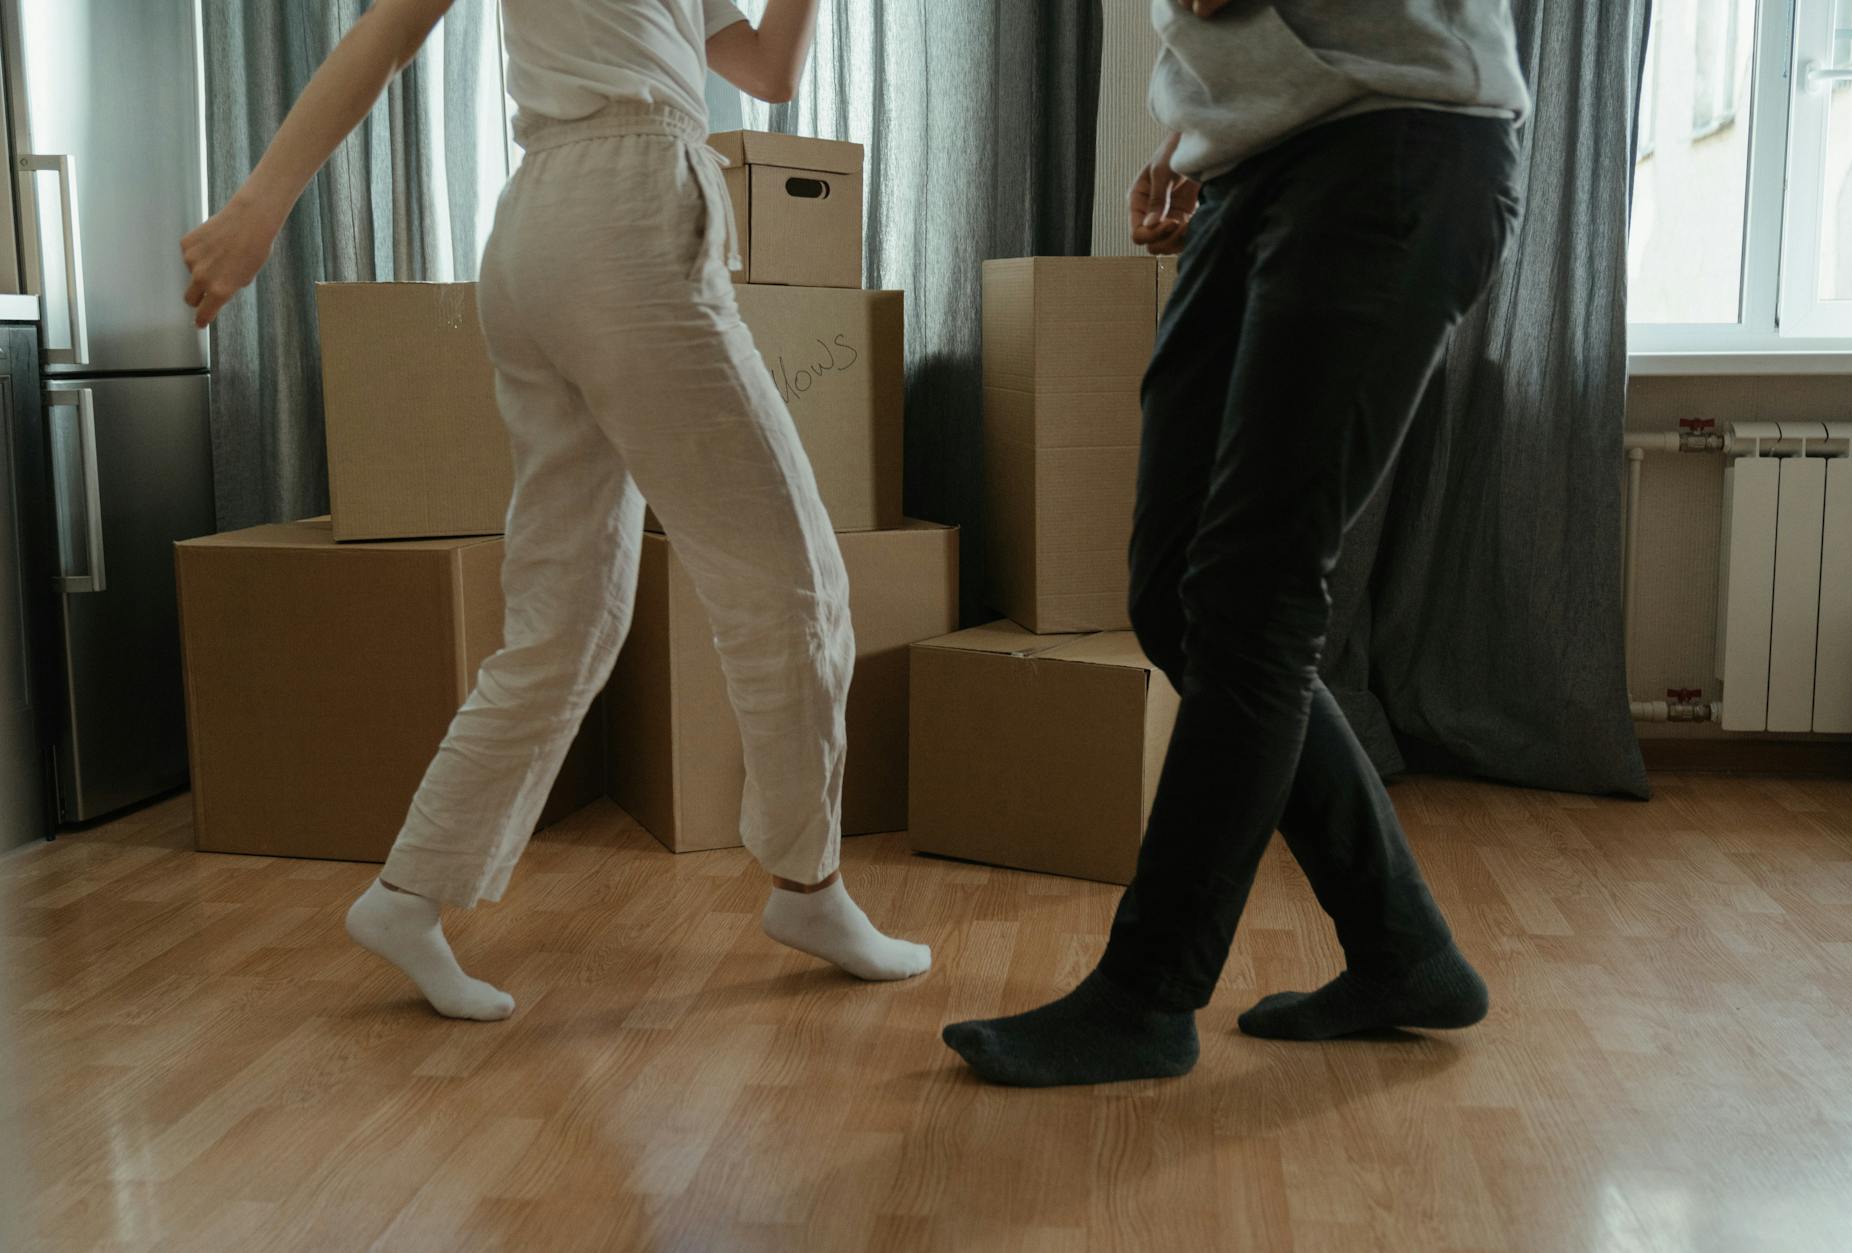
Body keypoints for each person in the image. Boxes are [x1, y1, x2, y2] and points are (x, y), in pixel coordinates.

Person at [181, 0, 931, 1023]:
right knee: (792, 580)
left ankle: (408, 891)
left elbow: (764, 68)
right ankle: (809, 888)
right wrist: (256, 206)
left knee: (567, 617)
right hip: (625, 212)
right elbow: (390, 31)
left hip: (539, 232)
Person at [943, 0, 1530, 1085]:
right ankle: (1404, 950)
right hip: (1251, 168)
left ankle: (1144, 994)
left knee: (1253, 593)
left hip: (1391, 142)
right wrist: (1190, 137)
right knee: (1176, 596)